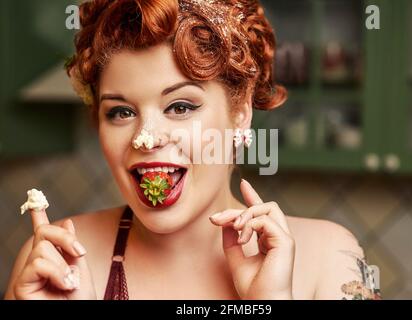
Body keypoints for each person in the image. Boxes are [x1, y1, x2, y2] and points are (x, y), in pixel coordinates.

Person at [5, 0, 380, 300]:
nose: (145, 138)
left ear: (240, 112)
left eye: (180, 107)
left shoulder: (329, 259)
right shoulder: (54, 261)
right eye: (121, 112)